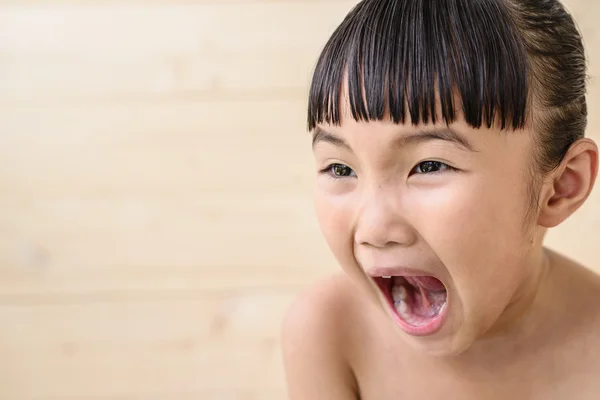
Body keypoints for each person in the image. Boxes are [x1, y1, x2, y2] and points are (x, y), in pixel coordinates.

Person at [281, 0, 600, 398]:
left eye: (430, 165)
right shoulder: (329, 331)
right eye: (341, 169)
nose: (375, 230)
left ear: (561, 187)